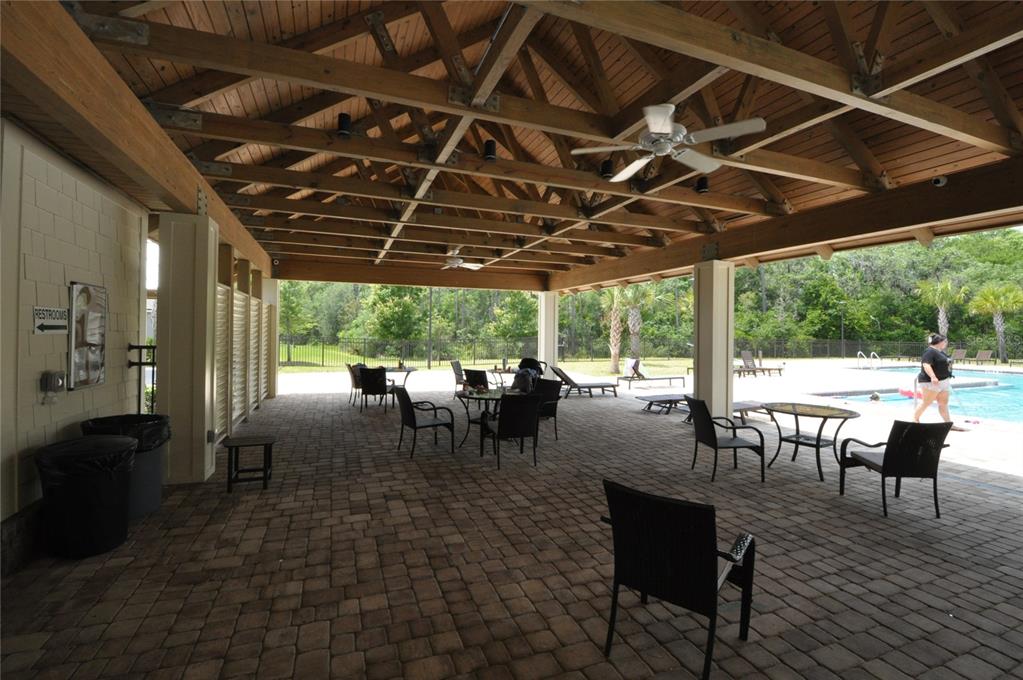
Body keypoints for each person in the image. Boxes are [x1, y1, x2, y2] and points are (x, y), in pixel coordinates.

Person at [913, 333, 955, 426]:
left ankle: (948, 424)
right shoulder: (929, 351)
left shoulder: (940, 352)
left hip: (943, 381)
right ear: (939, 342)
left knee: (943, 403)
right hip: (931, 382)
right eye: (945, 341)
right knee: (927, 402)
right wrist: (933, 376)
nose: (946, 343)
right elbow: (926, 364)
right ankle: (915, 420)